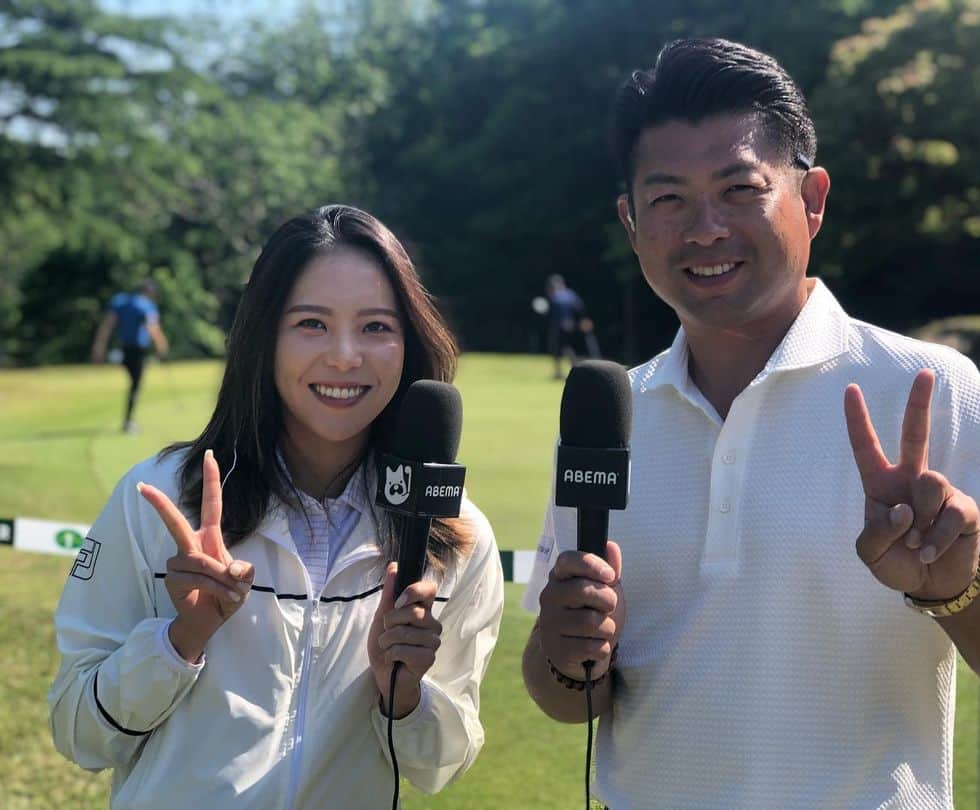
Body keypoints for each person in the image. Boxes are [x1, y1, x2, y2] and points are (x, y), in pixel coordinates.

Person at [521, 38, 980, 808]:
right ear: (631, 220)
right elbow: (569, 695)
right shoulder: (607, 420)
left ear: (811, 198)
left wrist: (960, 591)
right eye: (669, 198)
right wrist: (558, 653)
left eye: (739, 188)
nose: (705, 228)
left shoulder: (926, 387)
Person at [51, 205, 504, 808]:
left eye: (376, 327)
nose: (345, 356)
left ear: (410, 342)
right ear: (264, 335)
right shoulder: (160, 499)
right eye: (312, 323)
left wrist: (405, 696)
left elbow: (441, 764)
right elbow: (78, 731)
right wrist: (177, 641)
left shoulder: (454, 530)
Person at [91, 279, 170, 434]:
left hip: (124, 349)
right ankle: (128, 422)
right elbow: (152, 327)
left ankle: (128, 421)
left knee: (133, 382)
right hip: (138, 351)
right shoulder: (146, 306)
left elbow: (107, 325)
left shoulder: (120, 301)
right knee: (135, 385)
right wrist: (162, 345)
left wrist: (99, 345)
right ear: (150, 292)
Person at [546, 273, 599, 378]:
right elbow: (580, 308)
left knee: (561, 350)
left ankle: (562, 372)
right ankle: (572, 370)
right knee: (568, 349)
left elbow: (552, 315)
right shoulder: (571, 294)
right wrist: (584, 320)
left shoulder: (555, 297)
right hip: (574, 326)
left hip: (561, 328)